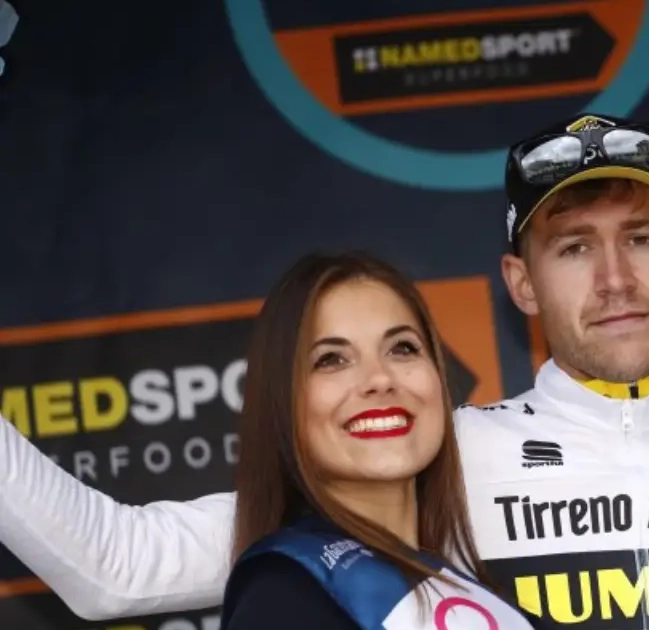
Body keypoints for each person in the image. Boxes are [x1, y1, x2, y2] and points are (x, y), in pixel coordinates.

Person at [0, 113, 649, 630]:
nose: (615, 280)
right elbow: (116, 565)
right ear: (520, 282)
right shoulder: (439, 461)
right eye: (572, 248)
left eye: (641, 239)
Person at [217, 251, 534, 629]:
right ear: (282, 402)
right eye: (331, 359)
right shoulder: (283, 597)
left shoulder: (472, 586)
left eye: (402, 348)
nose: (380, 378)